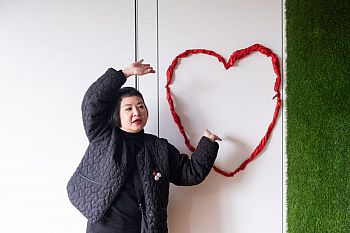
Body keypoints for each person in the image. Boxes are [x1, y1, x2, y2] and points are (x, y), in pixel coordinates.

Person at [67, 60, 222, 233]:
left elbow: (190, 173)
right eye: (128, 108)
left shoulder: (159, 147)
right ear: (117, 114)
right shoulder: (104, 136)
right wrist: (124, 74)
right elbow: (92, 104)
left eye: (141, 106)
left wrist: (208, 143)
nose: (136, 112)